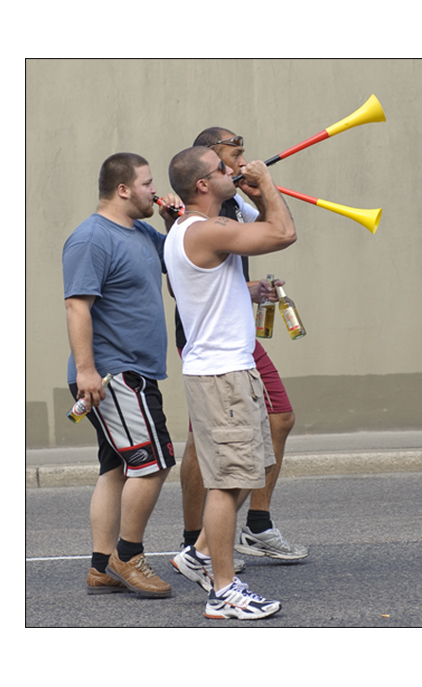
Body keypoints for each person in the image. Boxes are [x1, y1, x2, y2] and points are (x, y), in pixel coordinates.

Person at [164, 145, 296, 619]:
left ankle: (199, 553)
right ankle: (224, 591)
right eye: (222, 168)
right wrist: (267, 185)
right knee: (225, 483)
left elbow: (220, 282)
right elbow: (283, 232)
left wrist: (257, 194)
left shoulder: (192, 231)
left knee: (248, 469)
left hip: (229, 368)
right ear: (202, 185)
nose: (232, 170)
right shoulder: (204, 230)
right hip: (220, 375)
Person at [63, 152, 183, 598]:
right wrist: (87, 370)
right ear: (123, 189)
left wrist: (173, 222)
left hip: (132, 371)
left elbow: (179, 263)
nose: (156, 190)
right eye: (148, 183)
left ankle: (100, 567)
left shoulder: (143, 233)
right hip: (115, 375)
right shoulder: (92, 239)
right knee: (153, 463)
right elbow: (77, 305)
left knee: (117, 467)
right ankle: (128, 557)